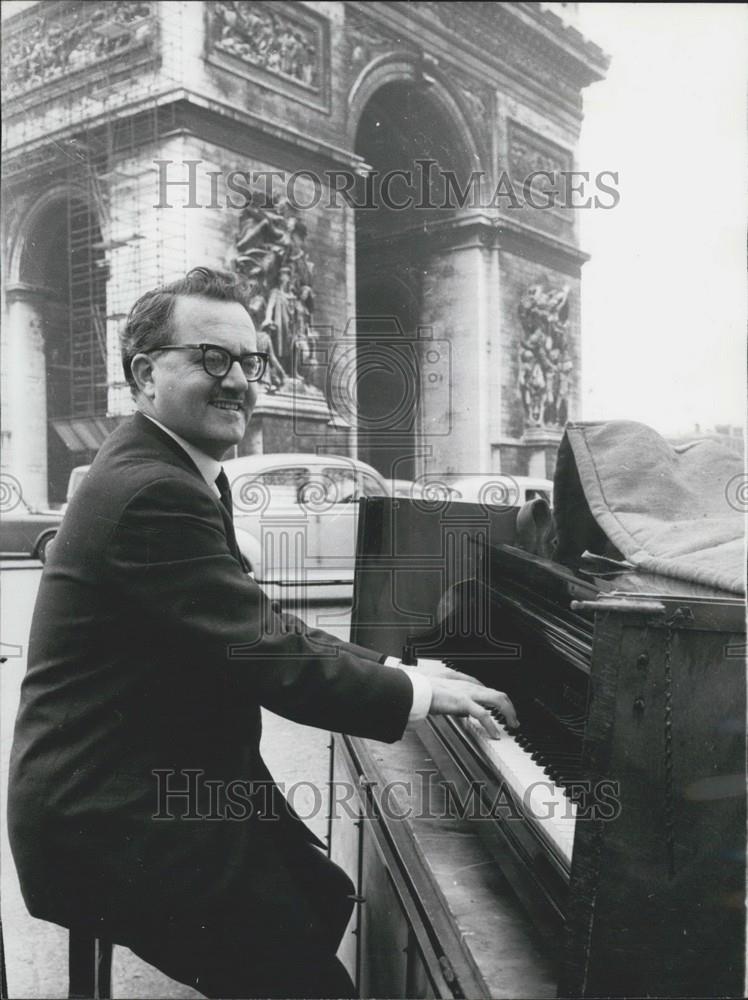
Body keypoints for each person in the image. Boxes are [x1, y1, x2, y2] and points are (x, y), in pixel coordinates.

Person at [8, 268, 517, 999]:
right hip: (108, 813)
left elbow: (259, 624)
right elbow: (269, 655)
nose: (241, 382)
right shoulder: (154, 489)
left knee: (319, 892)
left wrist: (401, 670)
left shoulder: (170, 468)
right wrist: (417, 693)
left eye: (251, 361)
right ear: (145, 375)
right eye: (214, 358)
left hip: (145, 780)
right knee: (310, 980)